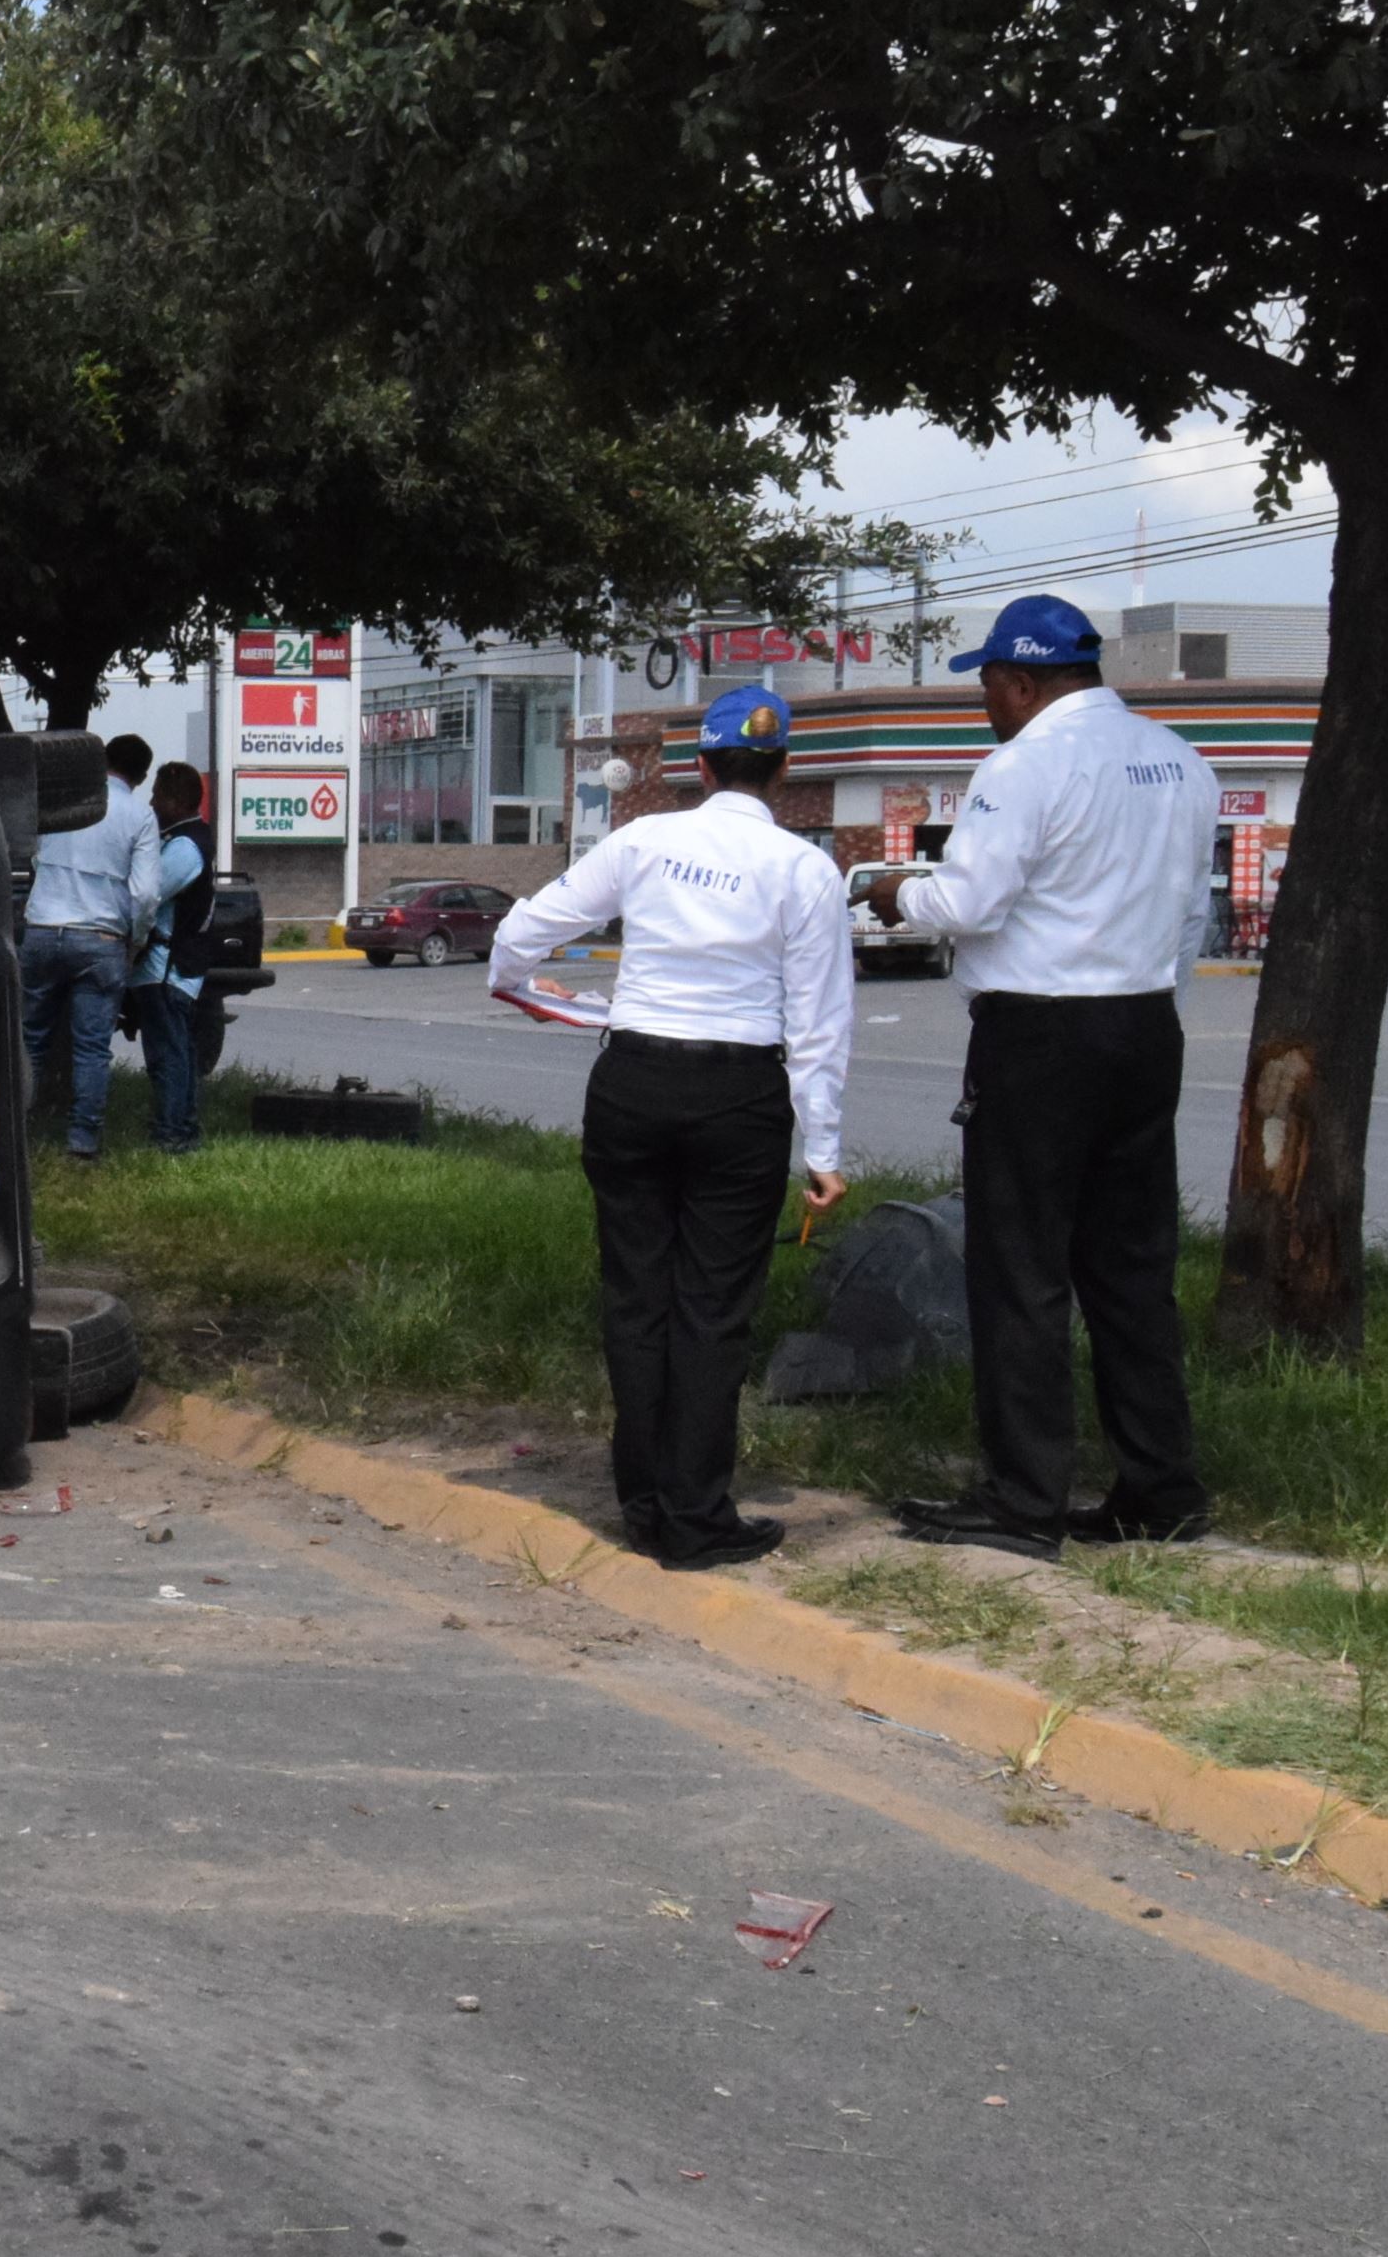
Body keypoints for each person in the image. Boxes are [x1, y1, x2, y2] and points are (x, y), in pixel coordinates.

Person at [863, 592, 1220, 1557]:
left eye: (988, 684)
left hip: (1041, 1039)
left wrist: (898, 891)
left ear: (1021, 681)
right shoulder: (1180, 760)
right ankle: (1161, 1488)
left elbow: (970, 902)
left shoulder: (1022, 764)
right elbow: (1193, 915)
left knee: (1022, 1268)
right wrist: (1145, 996)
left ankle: (1023, 1501)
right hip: (1145, 1027)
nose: (986, 701)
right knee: (1133, 1271)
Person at [489, 685, 850, 1567]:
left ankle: (643, 1502)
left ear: (701, 766)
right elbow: (819, 1023)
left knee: (637, 1295)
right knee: (713, 1311)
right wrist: (826, 1148)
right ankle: (696, 1516)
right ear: (784, 769)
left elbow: (518, 940)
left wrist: (548, 1002)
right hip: (739, 1097)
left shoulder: (644, 841)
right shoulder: (804, 870)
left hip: (635, 1081)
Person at [23, 732, 166, 1162]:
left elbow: (34, 859)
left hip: (44, 929)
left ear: (101, 761)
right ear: (141, 776)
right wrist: (135, 941)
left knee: (30, 1038)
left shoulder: (63, 805)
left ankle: (16, 1133)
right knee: (91, 1048)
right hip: (101, 940)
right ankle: (82, 1143)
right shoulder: (139, 816)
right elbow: (144, 894)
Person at [130, 760, 217, 1153]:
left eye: (157, 795)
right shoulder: (188, 839)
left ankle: (171, 1134)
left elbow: (148, 893)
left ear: (175, 800)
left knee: (168, 1055)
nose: (151, 803)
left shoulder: (184, 847)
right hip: (174, 965)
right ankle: (181, 1131)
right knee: (178, 1052)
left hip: (167, 968)